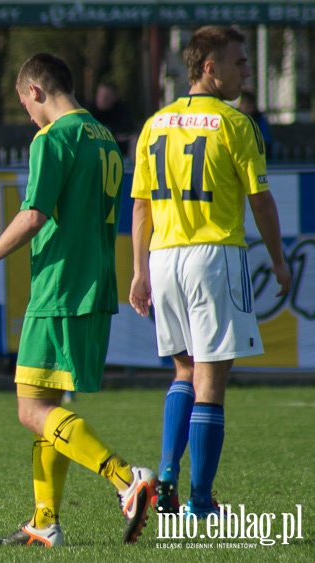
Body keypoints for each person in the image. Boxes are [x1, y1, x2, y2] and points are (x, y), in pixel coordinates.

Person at [0, 53, 157, 548]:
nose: (28, 115)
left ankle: (125, 479)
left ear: (34, 91)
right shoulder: (103, 138)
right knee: (45, 403)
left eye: (24, 104)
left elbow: (34, 215)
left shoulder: (54, 138)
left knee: (30, 409)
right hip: (93, 282)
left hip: (59, 287)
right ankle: (44, 522)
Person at [129, 26, 291, 519]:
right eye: (239, 63)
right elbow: (260, 201)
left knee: (183, 370)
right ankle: (199, 503)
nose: (246, 71)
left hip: (165, 257)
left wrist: (139, 271)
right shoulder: (236, 124)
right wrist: (279, 260)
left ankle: (167, 476)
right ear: (208, 68)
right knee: (212, 383)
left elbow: (139, 206)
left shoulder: (155, 124)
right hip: (214, 256)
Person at [87, 82, 137, 158]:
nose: (102, 99)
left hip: (119, 146)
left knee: (134, 139)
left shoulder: (121, 108)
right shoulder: (90, 110)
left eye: (106, 97)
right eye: (100, 96)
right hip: (96, 146)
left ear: (114, 97)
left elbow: (128, 128)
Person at [238, 90, 273, 159]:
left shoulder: (259, 119)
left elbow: (266, 139)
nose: (246, 107)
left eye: (249, 105)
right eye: (244, 104)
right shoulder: (235, 118)